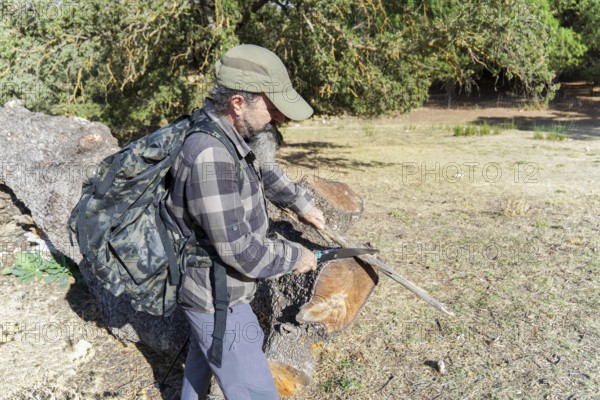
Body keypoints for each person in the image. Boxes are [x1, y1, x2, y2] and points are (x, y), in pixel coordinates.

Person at [165, 44, 325, 400]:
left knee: (203, 360)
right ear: (239, 102)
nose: (280, 117)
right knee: (256, 392)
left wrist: (300, 203)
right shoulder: (210, 155)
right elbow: (242, 252)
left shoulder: (228, 133)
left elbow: (261, 168)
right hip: (219, 300)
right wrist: (296, 256)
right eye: (272, 107)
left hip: (211, 294)